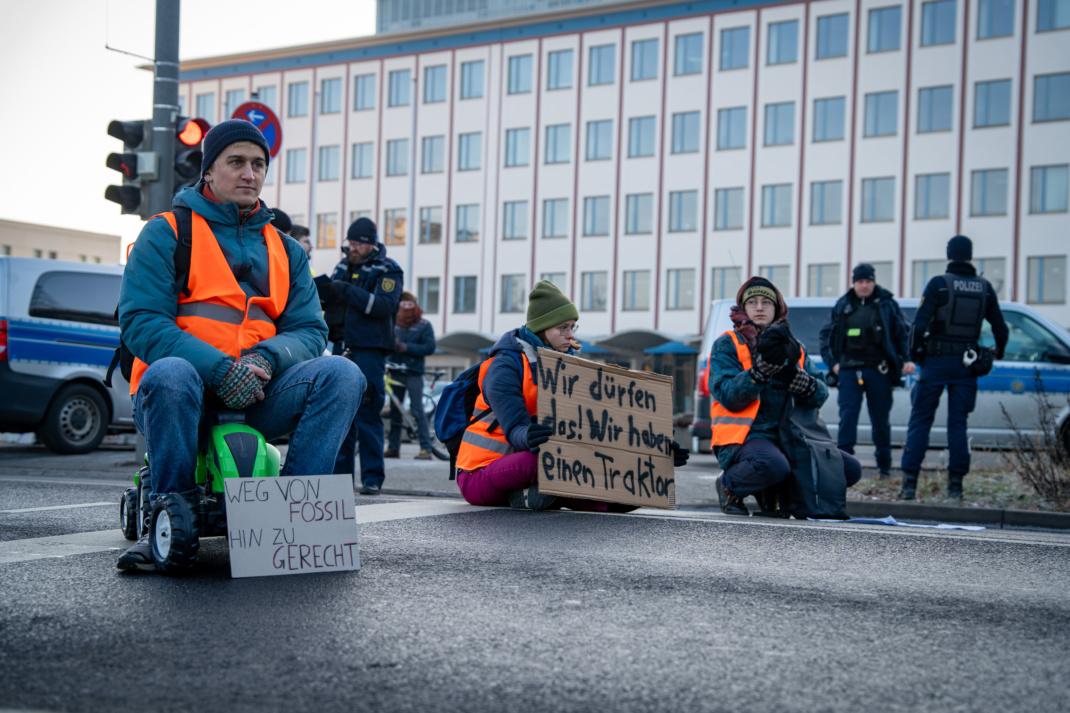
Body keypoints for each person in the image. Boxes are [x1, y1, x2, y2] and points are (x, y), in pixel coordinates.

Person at [115, 119, 364, 571]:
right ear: (209, 170)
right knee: (170, 372)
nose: (250, 173)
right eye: (236, 162)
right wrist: (220, 370)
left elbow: (311, 331)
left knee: (343, 373)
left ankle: (294, 516)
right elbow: (142, 322)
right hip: (181, 394)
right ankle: (167, 517)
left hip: (257, 393)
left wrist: (266, 358)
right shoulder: (166, 232)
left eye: (258, 164)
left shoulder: (287, 250)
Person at [455, 280, 690, 511]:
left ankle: (595, 499)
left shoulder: (568, 366)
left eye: (572, 328)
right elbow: (515, 429)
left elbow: (605, 426)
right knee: (549, 462)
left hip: (540, 461)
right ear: (542, 329)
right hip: (478, 473)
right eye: (563, 328)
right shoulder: (504, 367)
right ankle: (601, 502)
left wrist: (655, 451)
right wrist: (528, 435)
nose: (570, 335)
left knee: (572, 463)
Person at [709, 276, 861, 516]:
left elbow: (821, 394)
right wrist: (758, 374)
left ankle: (777, 493)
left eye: (766, 302)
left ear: (777, 307)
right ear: (743, 308)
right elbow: (727, 395)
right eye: (753, 302)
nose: (760, 307)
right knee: (771, 464)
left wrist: (804, 383)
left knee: (849, 469)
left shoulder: (794, 346)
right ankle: (729, 485)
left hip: (791, 435)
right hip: (747, 435)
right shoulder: (727, 344)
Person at [899, 236, 1008, 500]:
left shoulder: (939, 284)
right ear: (970, 257)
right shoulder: (984, 288)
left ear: (949, 256)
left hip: (936, 362)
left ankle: (909, 486)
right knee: (958, 424)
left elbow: (918, 326)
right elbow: (1001, 328)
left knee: (920, 420)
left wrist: (918, 357)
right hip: (966, 364)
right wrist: (997, 352)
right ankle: (955, 488)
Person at [325, 217, 404, 495]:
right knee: (341, 415)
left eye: (358, 243)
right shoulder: (343, 265)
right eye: (350, 243)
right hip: (341, 346)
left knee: (368, 415)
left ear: (371, 244)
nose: (353, 248)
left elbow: (383, 306)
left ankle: (372, 479)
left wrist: (346, 291)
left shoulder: (389, 269)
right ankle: (340, 480)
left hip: (369, 351)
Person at [819, 263, 915, 479]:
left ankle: (884, 468)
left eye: (868, 281)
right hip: (848, 370)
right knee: (848, 418)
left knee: (881, 420)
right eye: (860, 281)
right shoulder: (843, 305)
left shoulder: (887, 304)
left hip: (879, 371)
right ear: (854, 283)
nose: (864, 285)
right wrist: (833, 364)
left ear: (873, 282)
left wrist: (907, 360)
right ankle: (844, 469)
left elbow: (902, 334)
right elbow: (825, 336)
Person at [385, 291, 438, 460]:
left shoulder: (424, 325)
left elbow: (429, 347)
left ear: (415, 306)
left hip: (414, 373)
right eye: (404, 304)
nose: (407, 307)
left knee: (417, 410)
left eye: (410, 304)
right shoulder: (392, 322)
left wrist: (406, 347)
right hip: (395, 371)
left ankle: (425, 448)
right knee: (395, 411)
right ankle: (393, 448)